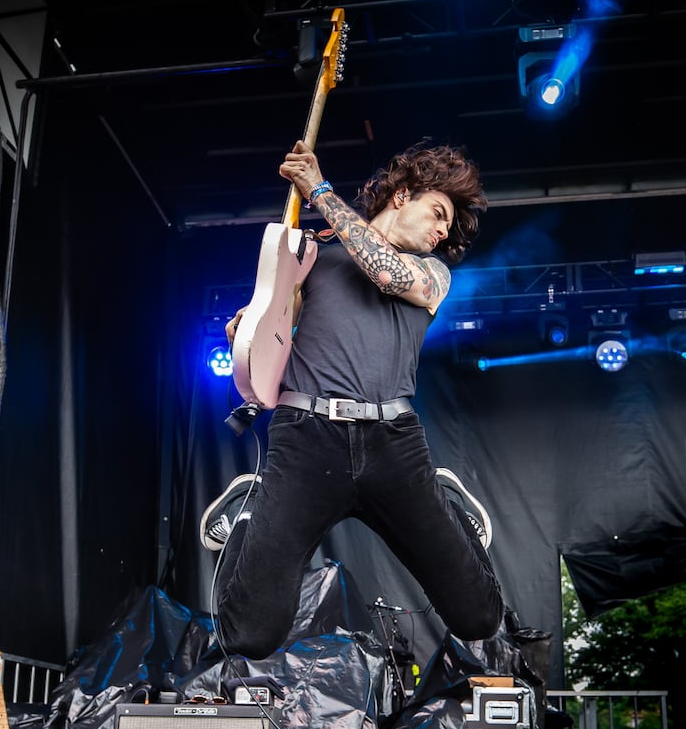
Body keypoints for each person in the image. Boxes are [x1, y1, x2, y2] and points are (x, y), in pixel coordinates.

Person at [200, 139, 505, 660]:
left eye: (446, 228)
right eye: (437, 213)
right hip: (305, 441)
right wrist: (244, 334)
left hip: (395, 446)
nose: (440, 231)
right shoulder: (312, 258)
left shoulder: (433, 275)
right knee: (249, 636)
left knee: (478, 616)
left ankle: (445, 503)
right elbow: (269, 337)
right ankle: (249, 518)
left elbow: (386, 273)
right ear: (401, 195)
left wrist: (318, 190)